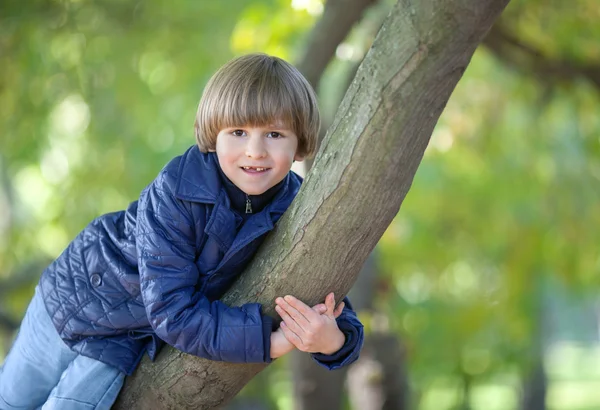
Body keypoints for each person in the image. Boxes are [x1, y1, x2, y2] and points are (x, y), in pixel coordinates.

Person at [0, 53, 364, 409]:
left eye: (274, 134)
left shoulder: (298, 209)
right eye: (238, 131)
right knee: (11, 399)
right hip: (75, 294)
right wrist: (271, 341)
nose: (255, 151)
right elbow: (171, 310)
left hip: (124, 341)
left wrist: (334, 339)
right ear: (213, 135)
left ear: (299, 143)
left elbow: (324, 288)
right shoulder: (177, 191)